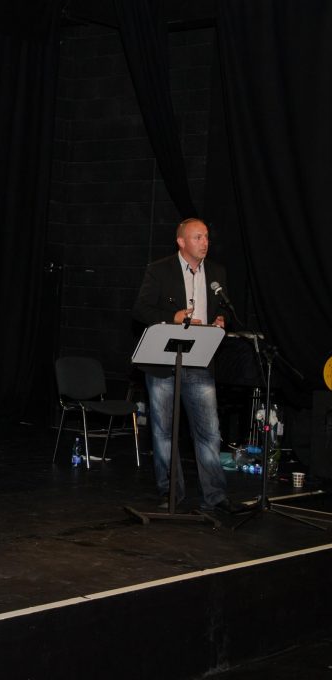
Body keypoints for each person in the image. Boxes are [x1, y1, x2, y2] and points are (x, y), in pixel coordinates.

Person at [132, 218, 238, 513]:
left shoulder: (217, 272)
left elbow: (220, 311)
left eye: (206, 237)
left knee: (209, 432)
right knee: (164, 432)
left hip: (200, 361)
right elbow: (140, 309)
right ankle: (170, 493)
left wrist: (221, 322)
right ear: (181, 242)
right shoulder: (159, 269)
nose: (205, 242)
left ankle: (215, 497)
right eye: (198, 237)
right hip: (165, 362)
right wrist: (173, 316)